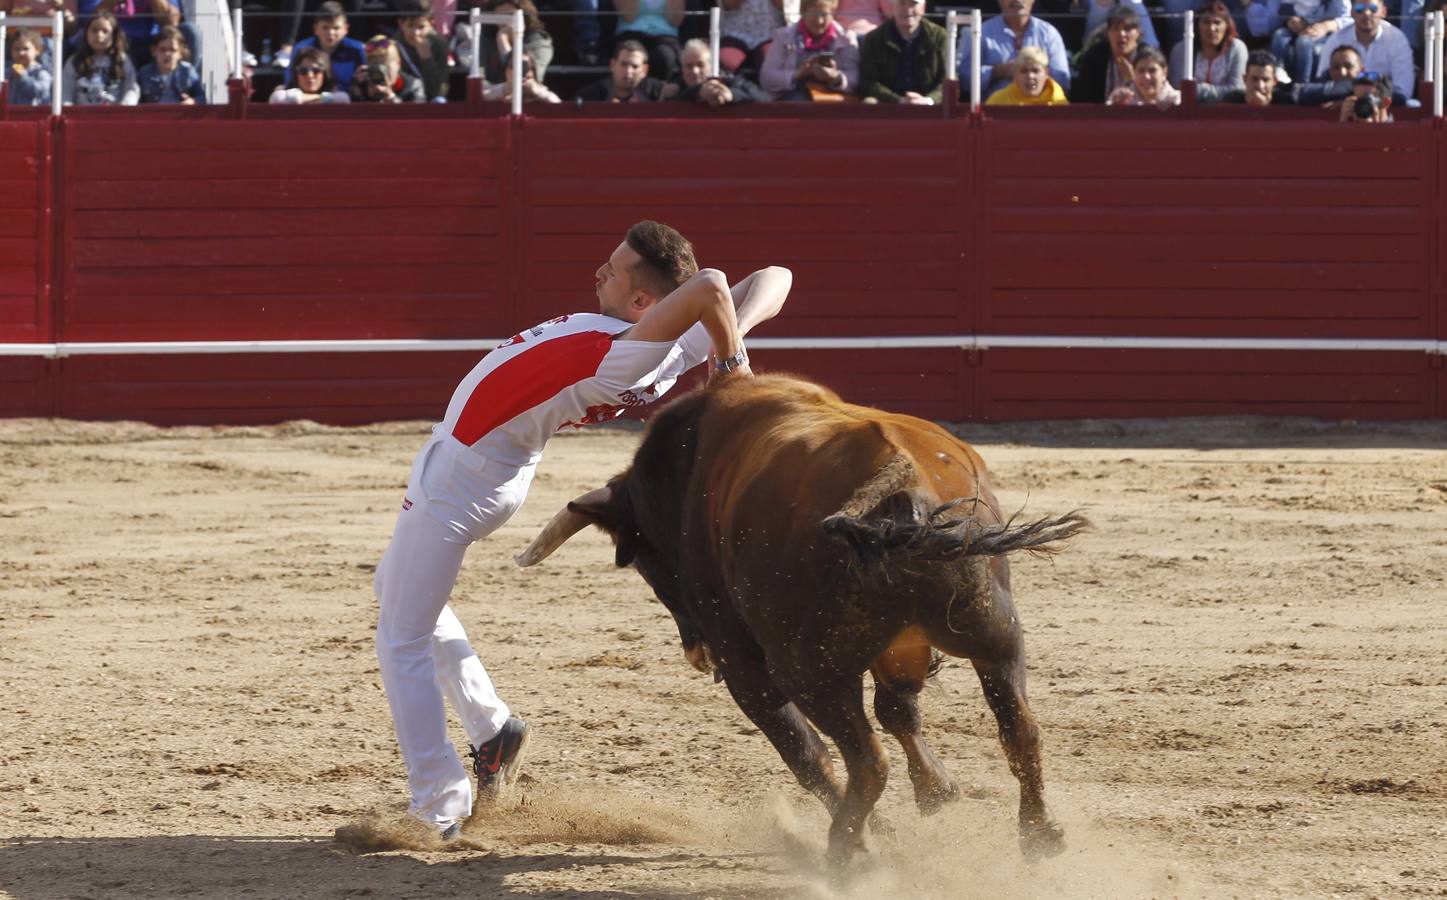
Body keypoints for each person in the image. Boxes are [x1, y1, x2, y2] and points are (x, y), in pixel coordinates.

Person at [372, 220, 792, 841]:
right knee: (397, 592)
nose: (599, 272)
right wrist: (730, 332)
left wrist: (734, 367)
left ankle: (437, 805)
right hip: (485, 469)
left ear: (643, 301)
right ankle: (494, 732)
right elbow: (769, 279)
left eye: (614, 269)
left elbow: (710, 282)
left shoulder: (626, 353)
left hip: (461, 479)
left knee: (400, 637)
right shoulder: (671, 345)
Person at [962, 0, 1070, 98]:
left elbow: (1062, 81)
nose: (1017, 0)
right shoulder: (981, 32)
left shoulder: (1049, 34)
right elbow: (964, 79)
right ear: (999, 1)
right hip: (994, 112)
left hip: (1041, 111)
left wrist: (1035, 74)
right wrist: (998, 71)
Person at [759, 0, 861, 100]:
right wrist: (798, 74)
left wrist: (835, 76)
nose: (819, 20)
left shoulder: (846, 38)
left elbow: (856, 78)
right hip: (795, 94)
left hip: (833, 95)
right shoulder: (782, 36)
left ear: (833, 14)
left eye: (824, 15)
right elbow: (767, 78)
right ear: (802, 12)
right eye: (814, 14)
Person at [1314, 0, 1414, 100]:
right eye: (1359, 9)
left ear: (1383, 12)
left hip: (1384, 107)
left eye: (1373, 9)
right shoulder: (1336, 40)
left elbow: (1403, 91)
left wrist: (1359, 96)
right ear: (1351, 12)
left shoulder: (1398, 40)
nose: (1366, 13)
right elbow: (1322, 84)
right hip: (1340, 105)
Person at [858, 0, 948, 104]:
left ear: (923, 8)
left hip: (929, 106)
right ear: (893, 8)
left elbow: (948, 80)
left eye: (913, 4)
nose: (907, 9)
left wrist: (928, 100)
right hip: (888, 104)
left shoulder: (940, 37)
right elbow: (867, 82)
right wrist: (898, 100)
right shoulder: (874, 39)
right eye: (902, 3)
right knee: (869, 102)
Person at [1169, 1, 1246, 102]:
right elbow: (1178, 89)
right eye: (1206, 22)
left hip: (1227, 112)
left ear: (1227, 26)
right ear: (1197, 26)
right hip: (1189, 113)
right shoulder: (1181, 50)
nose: (1211, 28)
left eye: (1217, 22)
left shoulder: (1237, 48)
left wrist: (1198, 89)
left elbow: (1237, 91)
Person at [1070, 4, 1143, 103]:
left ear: (1138, 33)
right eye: (1116, 28)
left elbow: (1159, 100)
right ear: (1108, 32)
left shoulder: (1148, 57)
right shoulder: (1095, 57)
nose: (1121, 34)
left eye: (1127, 29)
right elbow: (1084, 99)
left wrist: (1133, 80)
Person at [62, 10, 138, 105]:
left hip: (115, 116)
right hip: (81, 116)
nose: (99, 35)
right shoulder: (75, 60)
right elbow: (65, 93)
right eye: (94, 30)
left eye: (105, 31)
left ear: (114, 35)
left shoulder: (122, 60)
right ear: (86, 33)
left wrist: (123, 111)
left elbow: (131, 89)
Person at [290, 1, 367, 91]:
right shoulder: (301, 49)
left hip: (348, 101)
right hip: (309, 101)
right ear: (315, 29)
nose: (331, 33)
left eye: (336, 28)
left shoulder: (358, 49)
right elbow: (291, 83)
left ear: (346, 29)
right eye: (325, 27)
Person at [1269, 0, 1350, 85]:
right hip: (1298, 26)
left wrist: (1326, 26)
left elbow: (1348, 19)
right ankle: (1277, 74)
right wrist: (1290, 21)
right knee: (1279, 36)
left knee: (1303, 42)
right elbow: (1284, 9)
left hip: (1323, 31)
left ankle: (1302, 84)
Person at [666, 38, 770, 103]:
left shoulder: (729, 80)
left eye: (700, 65)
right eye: (689, 66)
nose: (695, 71)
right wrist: (698, 91)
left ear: (712, 65)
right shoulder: (674, 86)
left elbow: (765, 98)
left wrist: (732, 95)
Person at [612, 0, 685, 82]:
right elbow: (629, 16)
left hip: (664, 35)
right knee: (632, 58)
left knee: (664, 57)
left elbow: (675, 21)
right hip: (632, 33)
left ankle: (658, 91)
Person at [483, 0, 554, 83]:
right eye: (499, 17)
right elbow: (480, 75)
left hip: (525, 92)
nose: (504, 22)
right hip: (492, 91)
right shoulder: (488, 38)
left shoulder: (540, 42)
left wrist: (503, 38)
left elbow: (520, 72)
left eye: (510, 15)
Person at [397, 0, 452, 101]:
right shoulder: (395, 45)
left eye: (421, 27)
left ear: (431, 24)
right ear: (401, 24)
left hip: (430, 100)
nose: (416, 33)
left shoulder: (440, 45)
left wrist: (427, 59)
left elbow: (440, 89)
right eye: (410, 25)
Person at [577, 39, 667, 101]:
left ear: (645, 70)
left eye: (635, 66)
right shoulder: (591, 96)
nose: (628, 71)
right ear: (612, 65)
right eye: (623, 64)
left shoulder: (658, 92)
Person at [137, 24, 203, 103]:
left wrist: (191, 101)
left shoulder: (187, 71)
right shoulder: (144, 73)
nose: (167, 54)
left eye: (172, 50)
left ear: (181, 53)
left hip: (180, 114)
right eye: (162, 49)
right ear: (154, 51)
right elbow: (138, 101)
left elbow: (201, 97)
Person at [351, 35, 428, 102]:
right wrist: (358, 91)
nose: (380, 72)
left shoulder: (413, 86)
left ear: (398, 64)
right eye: (375, 67)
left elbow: (416, 115)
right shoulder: (364, 83)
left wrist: (390, 96)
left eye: (385, 67)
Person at [984, 44, 1068, 103]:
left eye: (1035, 71)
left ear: (1046, 72)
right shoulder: (998, 101)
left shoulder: (1058, 101)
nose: (1030, 76)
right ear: (1016, 74)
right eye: (1024, 71)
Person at [268, 44, 351, 102]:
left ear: (325, 73)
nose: (310, 75)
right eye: (303, 71)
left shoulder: (335, 94)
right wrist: (324, 99)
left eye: (316, 70)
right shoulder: (284, 92)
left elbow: (344, 99)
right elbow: (277, 98)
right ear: (296, 73)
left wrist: (297, 98)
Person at [720, 0, 785, 73]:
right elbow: (730, 5)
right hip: (736, 32)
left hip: (768, 32)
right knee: (726, 64)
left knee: (770, 64)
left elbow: (781, 5)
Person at [1108, 44, 1182, 105]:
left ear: (1164, 72)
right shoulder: (1121, 101)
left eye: (1152, 70)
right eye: (1141, 71)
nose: (1146, 77)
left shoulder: (1178, 101)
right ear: (1134, 73)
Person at [482, 49, 563, 102]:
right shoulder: (497, 89)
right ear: (506, 70)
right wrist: (505, 89)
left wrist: (539, 93)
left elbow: (559, 106)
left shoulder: (541, 92)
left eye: (525, 66)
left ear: (533, 71)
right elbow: (480, 99)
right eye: (514, 66)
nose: (519, 72)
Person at [1221, 47, 1295, 102]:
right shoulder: (1231, 101)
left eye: (1266, 80)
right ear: (1245, 79)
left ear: (1274, 81)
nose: (1260, 85)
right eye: (1254, 79)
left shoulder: (1286, 102)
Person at [6, 29, 53, 106]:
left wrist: (22, 77)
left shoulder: (42, 72)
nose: (21, 53)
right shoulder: (6, 72)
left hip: (33, 115)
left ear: (37, 50)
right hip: (10, 114)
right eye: (16, 49)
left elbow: (40, 91)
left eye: (26, 49)